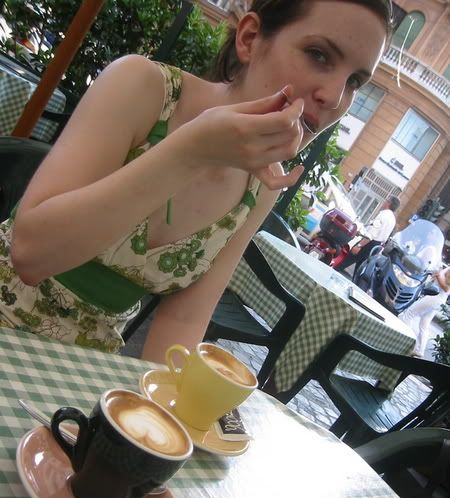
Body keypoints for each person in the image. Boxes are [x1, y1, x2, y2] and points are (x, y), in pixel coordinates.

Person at [0, 0, 392, 364]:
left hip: (82, 367)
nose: (334, 97)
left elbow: (184, 320)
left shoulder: (262, 186)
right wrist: (191, 152)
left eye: (355, 81)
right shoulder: (143, 87)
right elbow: (31, 254)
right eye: (319, 55)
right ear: (250, 39)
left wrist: (166, 405)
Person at [336, 195, 401, 273]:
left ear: (389, 203)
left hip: (369, 243)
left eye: (386, 200)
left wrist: (359, 245)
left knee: (346, 260)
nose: (384, 202)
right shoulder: (392, 219)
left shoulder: (383, 215)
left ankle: (330, 272)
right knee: (359, 269)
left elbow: (371, 234)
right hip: (377, 246)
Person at [399, 265, 450, 357]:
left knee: (410, 313)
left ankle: (403, 339)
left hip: (436, 296)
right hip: (438, 298)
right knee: (424, 324)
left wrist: (438, 275)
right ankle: (419, 350)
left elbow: (446, 288)